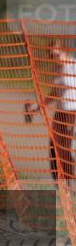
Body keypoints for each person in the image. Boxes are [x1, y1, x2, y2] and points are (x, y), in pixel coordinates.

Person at [48, 42, 76, 183]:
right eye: (52, 55)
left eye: (56, 54)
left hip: (72, 112)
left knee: (67, 148)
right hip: (59, 113)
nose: (54, 57)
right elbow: (55, 92)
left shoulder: (73, 65)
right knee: (55, 149)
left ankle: (69, 181)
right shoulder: (56, 68)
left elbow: (69, 85)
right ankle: (63, 184)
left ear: (63, 51)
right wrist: (38, 105)